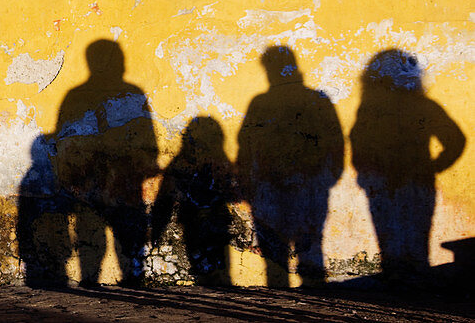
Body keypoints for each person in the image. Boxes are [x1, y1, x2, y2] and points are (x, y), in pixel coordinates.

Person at [350, 49, 466, 280]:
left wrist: (367, 174)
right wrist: (433, 167)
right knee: (416, 243)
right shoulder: (423, 106)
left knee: (391, 244)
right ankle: (414, 293)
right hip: (416, 182)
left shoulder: (373, 109)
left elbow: (357, 144)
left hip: (386, 184)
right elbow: (456, 140)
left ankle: (401, 290)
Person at [52, 39, 159, 287]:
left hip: (117, 175)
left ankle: (122, 277)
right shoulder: (124, 94)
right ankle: (104, 278)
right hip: (96, 175)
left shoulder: (125, 94)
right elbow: (64, 139)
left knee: (121, 227)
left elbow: (63, 139)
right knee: (98, 227)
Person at [237, 46, 343, 286]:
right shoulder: (315, 100)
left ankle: (294, 290)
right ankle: (305, 292)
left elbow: (334, 142)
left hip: (298, 182)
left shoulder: (264, 102)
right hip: (292, 183)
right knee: (301, 240)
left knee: (297, 240)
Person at [151, 116, 237, 285]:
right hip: (203, 219)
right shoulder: (219, 161)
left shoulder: (183, 165)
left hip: (201, 219)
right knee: (211, 258)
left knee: (207, 257)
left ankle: (214, 282)